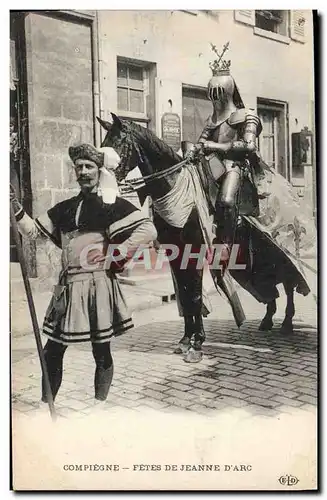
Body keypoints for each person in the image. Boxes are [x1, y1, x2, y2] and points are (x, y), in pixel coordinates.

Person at [10, 143, 157, 405]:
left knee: (101, 350)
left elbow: (148, 231)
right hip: (67, 289)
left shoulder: (111, 205)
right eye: (79, 167)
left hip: (97, 285)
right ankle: (48, 407)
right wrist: (15, 207)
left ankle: (99, 406)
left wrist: (116, 253)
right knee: (52, 350)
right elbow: (33, 233)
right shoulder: (65, 207)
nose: (83, 171)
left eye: (89, 166)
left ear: (99, 171)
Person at [188, 42, 264, 265]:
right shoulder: (212, 120)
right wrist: (192, 150)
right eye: (213, 94)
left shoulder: (246, 115)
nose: (216, 99)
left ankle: (225, 245)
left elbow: (249, 146)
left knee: (226, 200)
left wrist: (215, 147)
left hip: (235, 166)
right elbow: (201, 143)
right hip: (211, 166)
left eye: (218, 93)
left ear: (227, 92)